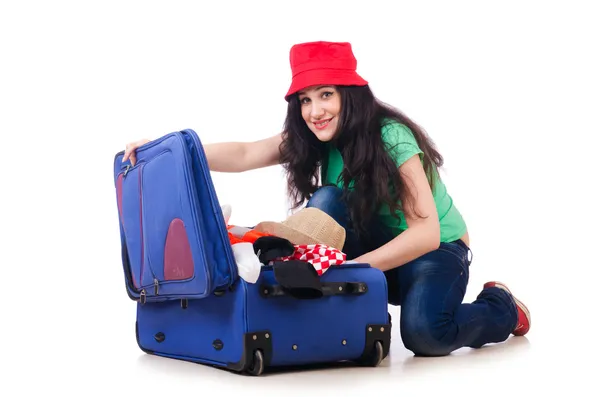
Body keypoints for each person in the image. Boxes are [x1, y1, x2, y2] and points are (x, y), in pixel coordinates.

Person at [122, 41, 530, 356]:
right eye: (305, 99)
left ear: (349, 96)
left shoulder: (390, 137)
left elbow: (426, 233)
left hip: (435, 251)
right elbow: (247, 153)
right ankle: (284, 268)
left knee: (426, 335)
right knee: (331, 200)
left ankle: (502, 306)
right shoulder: (314, 136)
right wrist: (173, 149)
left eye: (325, 95)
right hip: (380, 248)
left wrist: (349, 267)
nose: (314, 110)